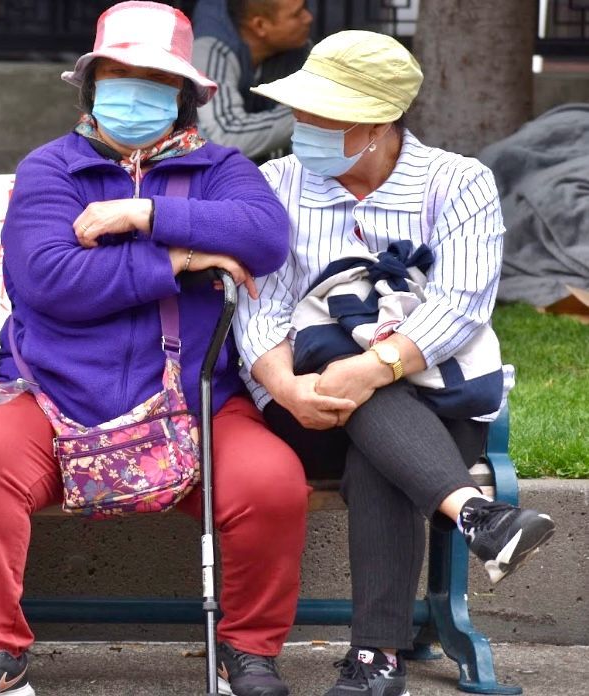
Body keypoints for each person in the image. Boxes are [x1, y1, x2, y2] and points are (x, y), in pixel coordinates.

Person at [0, 3, 307, 696]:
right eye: (116, 77)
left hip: (195, 405)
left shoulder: (221, 166)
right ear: (91, 86)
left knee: (272, 482)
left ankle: (247, 652)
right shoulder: (50, 169)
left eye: (153, 81)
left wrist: (146, 215)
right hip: (52, 395)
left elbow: (265, 237)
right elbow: (51, 280)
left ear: (184, 96)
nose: (132, 94)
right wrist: (184, 258)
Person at [235, 30, 557, 696]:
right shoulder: (278, 183)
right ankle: (474, 518)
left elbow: (461, 306)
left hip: (437, 401)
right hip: (306, 403)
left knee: (376, 442)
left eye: (320, 117)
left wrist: (373, 367)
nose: (301, 128)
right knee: (355, 396)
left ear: (376, 126)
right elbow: (258, 308)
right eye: (301, 112)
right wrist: (285, 388)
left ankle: (378, 662)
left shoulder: (458, 183)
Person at [192, 0, 312, 160]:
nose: (308, 18)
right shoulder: (211, 49)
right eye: (297, 14)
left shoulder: (297, 48)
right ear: (260, 25)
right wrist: (311, 116)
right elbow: (227, 136)